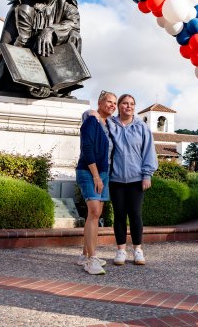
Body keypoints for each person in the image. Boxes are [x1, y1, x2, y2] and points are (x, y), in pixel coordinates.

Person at [107, 94, 157, 266]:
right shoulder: (110, 124)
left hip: (136, 179)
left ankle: (137, 250)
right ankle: (121, 250)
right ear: (119, 106)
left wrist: (147, 175)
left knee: (135, 214)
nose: (128, 106)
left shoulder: (142, 127)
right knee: (119, 215)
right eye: (125, 103)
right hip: (116, 179)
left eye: (132, 104)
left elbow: (149, 151)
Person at [76, 91, 116, 275]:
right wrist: (96, 176)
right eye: (109, 101)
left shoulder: (108, 124)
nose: (112, 105)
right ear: (100, 103)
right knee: (93, 212)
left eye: (114, 103)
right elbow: (87, 148)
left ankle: (85, 255)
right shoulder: (91, 120)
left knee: (95, 213)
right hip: (89, 171)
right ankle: (91, 259)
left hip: (104, 171)